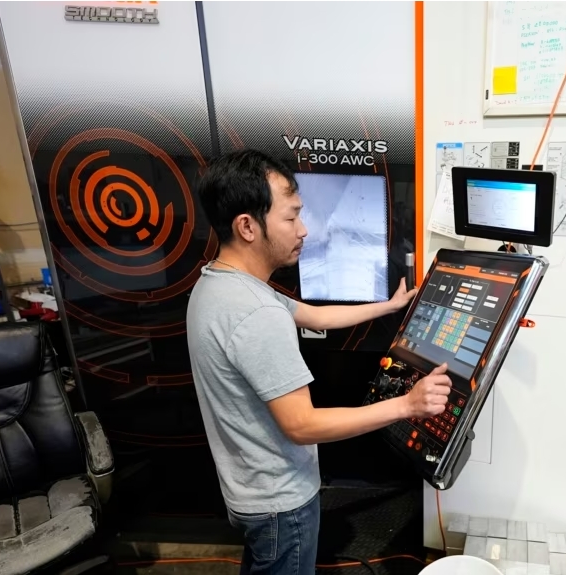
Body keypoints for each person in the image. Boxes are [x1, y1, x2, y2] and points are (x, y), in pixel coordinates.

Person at [186, 149, 452, 574]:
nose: (304, 230)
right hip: (281, 503)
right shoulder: (257, 313)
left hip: (249, 493)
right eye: (291, 218)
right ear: (248, 226)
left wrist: (389, 306)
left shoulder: (218, 285)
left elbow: (317, 316)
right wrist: (409, 405)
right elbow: (302, 425)